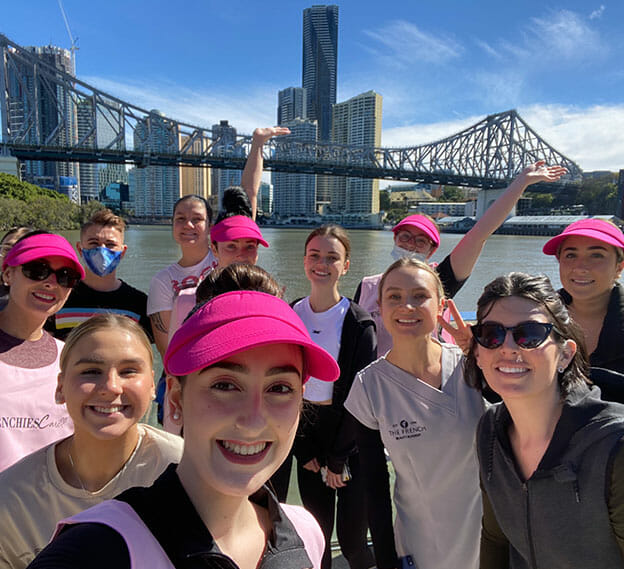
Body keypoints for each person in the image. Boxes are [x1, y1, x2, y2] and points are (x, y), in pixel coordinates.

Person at [28, 289, 340, 569]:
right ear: (176, 399)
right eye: (225, 385)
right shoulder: (95, 551)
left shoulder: (305, 533)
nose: (254, 420)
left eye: (280, 388)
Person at [463, 272, 624, 568]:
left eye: (530, 334)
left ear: (565, 355)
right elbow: (496, 538)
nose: (508, 347)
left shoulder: (614, 447)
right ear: (477, 354)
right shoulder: (489, 431)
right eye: (491, 334)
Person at [0, 314, 182, 569]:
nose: (110, 386)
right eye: (91, 372)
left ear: (153, 384)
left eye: (129, 371)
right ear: (60, 387)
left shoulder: (187, 471)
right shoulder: (11, 500)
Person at [345, 258, 485, 569]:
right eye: (394, 297)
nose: (406, 306)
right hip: (419, 544)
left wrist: (485, 355)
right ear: (379, 307)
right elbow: (374, 486)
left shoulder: (475, 370)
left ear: (441, 307)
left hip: (488, 540)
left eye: (419, 296)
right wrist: (385, 559)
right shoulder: (369, 386)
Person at [354, 161, 568, 356]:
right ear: (395, 239)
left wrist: (521, 182)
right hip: (376, 382)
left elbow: (480, 233)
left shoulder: (440, 280)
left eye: (421, 241)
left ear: (431, 251)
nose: (411, 244)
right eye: (405, 237)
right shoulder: (367, 285)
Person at [147, 126, 288, 358]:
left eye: (249, 246)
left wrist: (257, 144)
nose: (240, 252)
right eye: (231, 246)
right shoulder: (187, 298)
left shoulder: (266, 295)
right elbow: (172, 352)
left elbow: (249, 193)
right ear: (215, 247)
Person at [284, 225, 376, 569]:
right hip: (308, 433)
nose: (322, 264)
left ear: (346, 265)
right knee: (316, 537)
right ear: (305, 260)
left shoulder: (359, 323)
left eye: (332, 258)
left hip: (351, 439)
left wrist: (338, 459)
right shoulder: (291, 313)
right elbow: (286, 386)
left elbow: (360, 395)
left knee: (353, 542)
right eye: (315, 255)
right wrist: (303, 450)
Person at [0, 232, 84, 472]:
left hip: (53, 504)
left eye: (65, 277)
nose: (51, 282)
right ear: (8, 274)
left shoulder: (69, 358)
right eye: (36, 270)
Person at [45, 209, 152, 341]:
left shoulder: (140, 303)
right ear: (80, 249)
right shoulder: (59, 296)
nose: (102, 250)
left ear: (122, 252)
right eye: (94, 243)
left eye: (110, 244)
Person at [542, 218, 624, 375]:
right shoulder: (535, 316)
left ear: (619, 267)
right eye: (571, 255)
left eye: (596, 255)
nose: (580, 267)